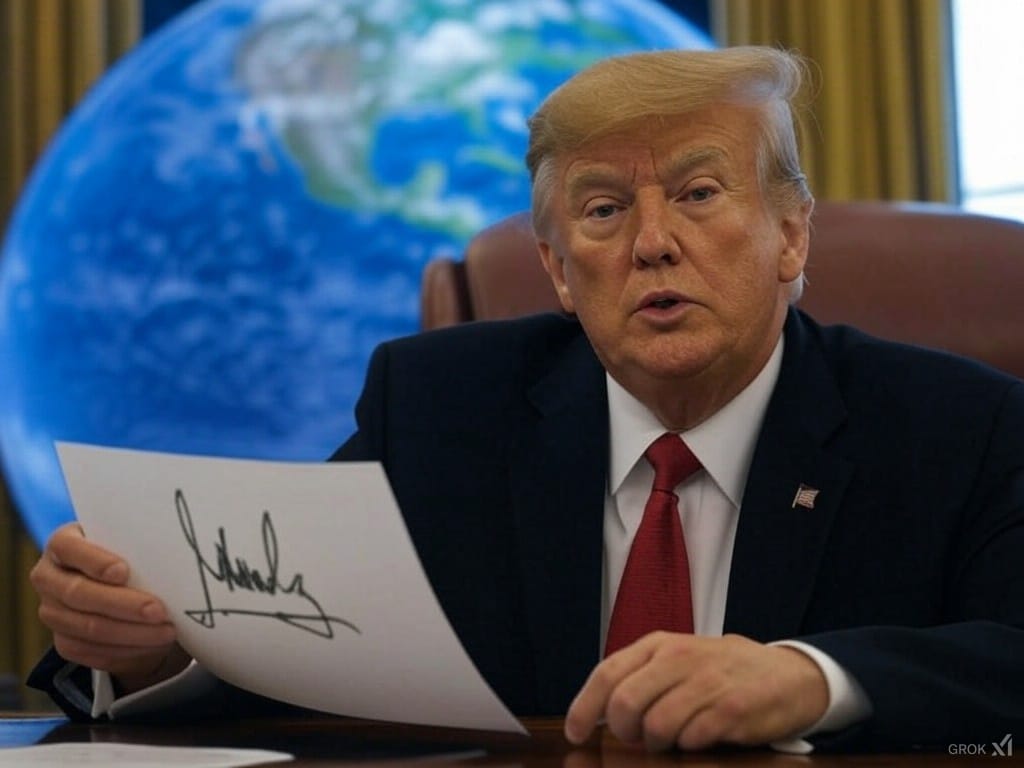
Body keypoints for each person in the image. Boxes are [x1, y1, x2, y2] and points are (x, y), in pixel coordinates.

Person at [27, 46, 1024, 752]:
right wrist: (151, 651)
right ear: (556, 270)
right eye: (604, 210)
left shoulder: (959, 427)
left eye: (698, 194)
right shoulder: (439, 411)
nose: (652, 244)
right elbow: (295, 639)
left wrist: (813, 678)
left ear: (792, 236)